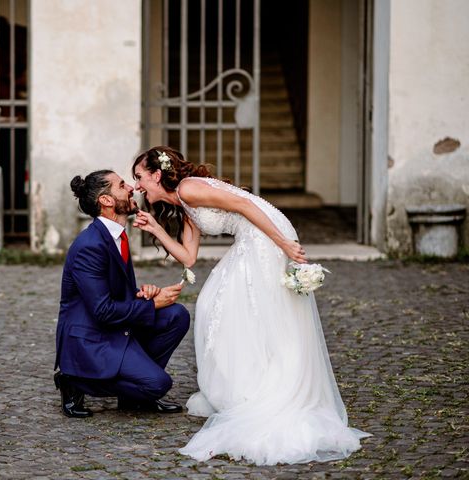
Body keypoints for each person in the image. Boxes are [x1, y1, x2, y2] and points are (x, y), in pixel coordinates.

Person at [131, 146, 371, 464]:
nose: (136, 186)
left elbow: (244, 204)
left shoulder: (189, 187)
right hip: (256, 237)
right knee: (210, 304)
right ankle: (243, 384)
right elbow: (188, 257)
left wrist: (283, 242)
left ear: (157, 175)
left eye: (139, 177)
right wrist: (156, 229)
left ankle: (259, 390)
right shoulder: (185, 205)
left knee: (246, 307)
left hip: (265, 236)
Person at [54, 169, 190, 418]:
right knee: (158, 384)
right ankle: (75, 381)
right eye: (121, 185)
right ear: (105, 201)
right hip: (93, 337)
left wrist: (143, 294)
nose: (131, 188)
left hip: (114, 328)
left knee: (177, 315)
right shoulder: (90, 246)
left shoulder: (117, 235)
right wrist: (153, 305)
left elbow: (112, 293)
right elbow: (102, 311)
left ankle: (134, 397)